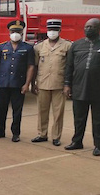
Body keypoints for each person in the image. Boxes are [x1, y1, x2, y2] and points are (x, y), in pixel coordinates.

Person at [64, 18, 100, 156]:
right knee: (79, 117)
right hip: (79, 87)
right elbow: (69, 67)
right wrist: (67, 84)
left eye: (91, 27)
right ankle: (77, 142)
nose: (88, 29)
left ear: (99, 28)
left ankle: (99, 145)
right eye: (86, 27)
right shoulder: (76, 45)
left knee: (99, 119)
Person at [0, 20, 35, 142]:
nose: (15, 34)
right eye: (13, 31)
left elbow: (31, 66)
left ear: (22, 33)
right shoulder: (1, 47)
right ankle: (0, 130)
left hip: (18, 84)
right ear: (9, 32)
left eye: (18, 32)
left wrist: (27, 84)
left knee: (17, 110)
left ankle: (16, 133)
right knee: (1, 109)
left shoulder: (28, 48)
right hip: (3, 83)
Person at [31, 19, 71, 147]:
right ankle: (42, 134)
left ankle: (56, 137)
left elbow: (70, 67)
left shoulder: (67, 46)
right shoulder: (39, 46)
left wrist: (67, 85)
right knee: (42, 110)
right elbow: (35, 66)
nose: (52, 32)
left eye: (54, 30)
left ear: (59, 31)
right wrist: (33, 83)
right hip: (42, 83)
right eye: (50, 30)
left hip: (59, 84)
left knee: (58, 112)